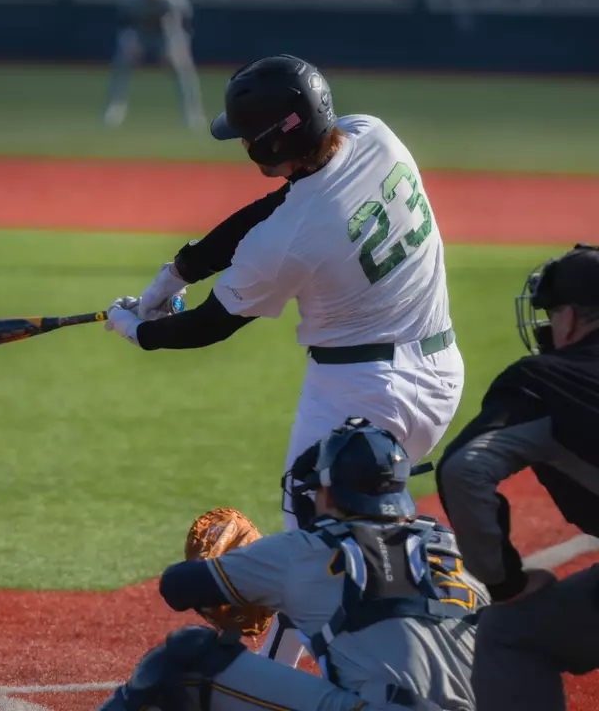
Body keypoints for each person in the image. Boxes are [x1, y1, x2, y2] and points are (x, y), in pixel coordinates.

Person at [104, 53, 464, 664]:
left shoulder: (291, 238)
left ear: (268, 143)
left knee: (311, 563)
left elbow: (211, 325)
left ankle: (277, 690)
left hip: (359, 395)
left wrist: (137, 330)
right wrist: (179, 270)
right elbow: (276, 206)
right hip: (438, 376)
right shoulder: (374, 134)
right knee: (352, 547)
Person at [98, 418, 487, 711]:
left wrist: (238, 570)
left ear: (331, 491)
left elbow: (177, 586)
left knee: (184, 657)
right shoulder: (452, 545)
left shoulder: (308, 549)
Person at [436, 243, 599, 711]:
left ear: (568, 319)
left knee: (511, 632)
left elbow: (465, 469)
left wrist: (505, 582)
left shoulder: (545, 379)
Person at [103, 0, 205, 129]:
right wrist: (130, 45)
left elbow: (183, 25)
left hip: (168, 35)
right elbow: (125, 24)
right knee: (122, 60)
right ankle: (115, 108)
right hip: (142, 34)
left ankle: (192, 112)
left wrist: (173, 50)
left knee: (183, 67)